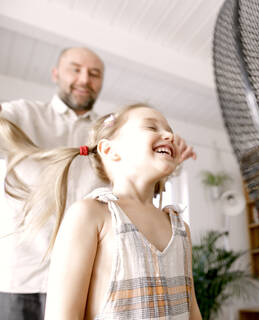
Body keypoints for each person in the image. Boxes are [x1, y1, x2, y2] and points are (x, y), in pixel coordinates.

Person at [0, 47, 196, 319]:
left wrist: (163, 149)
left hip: (94, 273)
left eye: (94, 74)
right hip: (23, 278)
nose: (84, 79)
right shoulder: (21, 114)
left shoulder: (113, 130)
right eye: (75, 69)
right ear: (55, 73)